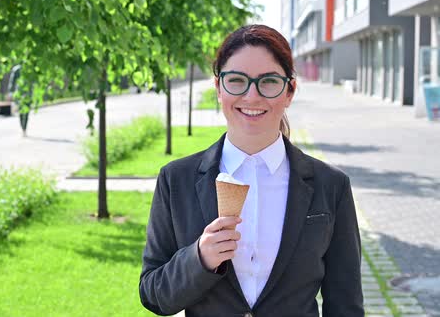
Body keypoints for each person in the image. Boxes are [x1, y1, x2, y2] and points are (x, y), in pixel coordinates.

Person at [139, 24, 364, 317]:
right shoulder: (176, 180)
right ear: (219, 88)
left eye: (268, 81)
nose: (252, 96)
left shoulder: (330, 185)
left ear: (289, 90)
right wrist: (199, 258)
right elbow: (154, 295)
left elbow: (345, 305)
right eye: (237, 80)